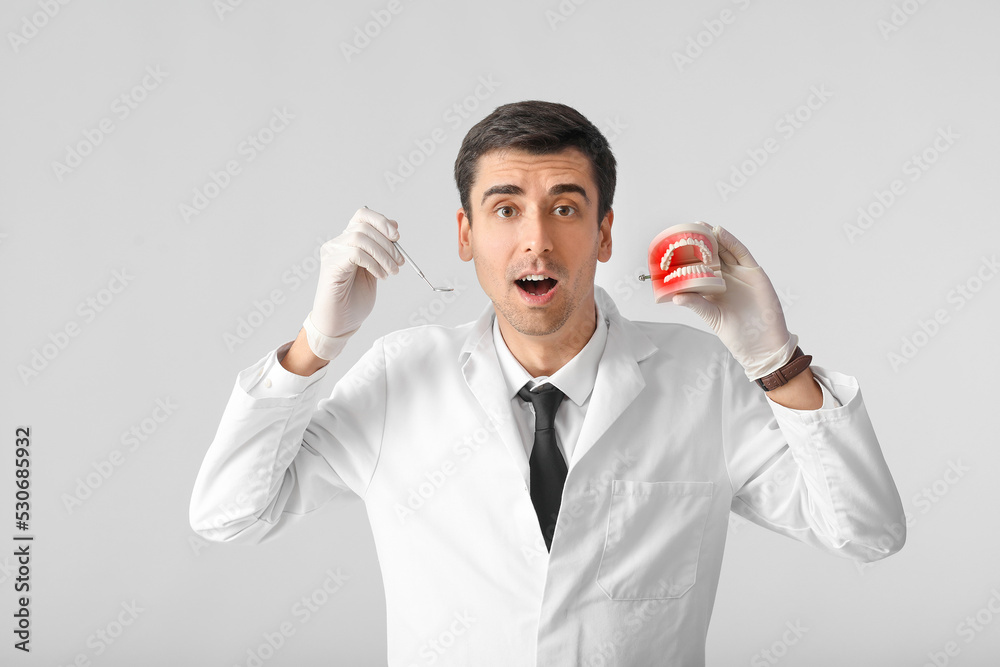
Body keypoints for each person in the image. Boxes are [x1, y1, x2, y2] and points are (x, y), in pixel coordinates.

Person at [189, 100, 905, 666]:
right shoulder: (400, 375)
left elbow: (868, 531)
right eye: (506, 209)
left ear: (604, 235)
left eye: (565, 207)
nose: (536, 239)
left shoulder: (699, 380)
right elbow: (228, 514)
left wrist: (776, 358)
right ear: (466, 235)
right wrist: (316, 344)